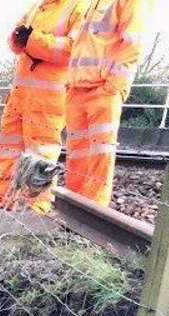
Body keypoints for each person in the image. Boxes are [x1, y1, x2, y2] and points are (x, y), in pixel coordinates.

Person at [0, 0, 87, 213]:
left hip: (48, 99)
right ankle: (0, 202)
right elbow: (16, 38)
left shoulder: (79, 6)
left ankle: (34, 209)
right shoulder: (38, 6)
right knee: (8, 150)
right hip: (20, 96)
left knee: (41, 155)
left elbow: (75, 49)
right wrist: (19, 39)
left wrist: (33, 39)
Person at [63, 0, 150, 206]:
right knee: (77, 157)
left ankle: (93, 213)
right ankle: (74, 213)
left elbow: (133, 44)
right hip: (78, 90)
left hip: (102, 90)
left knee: (98, 159)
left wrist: (112, 86)